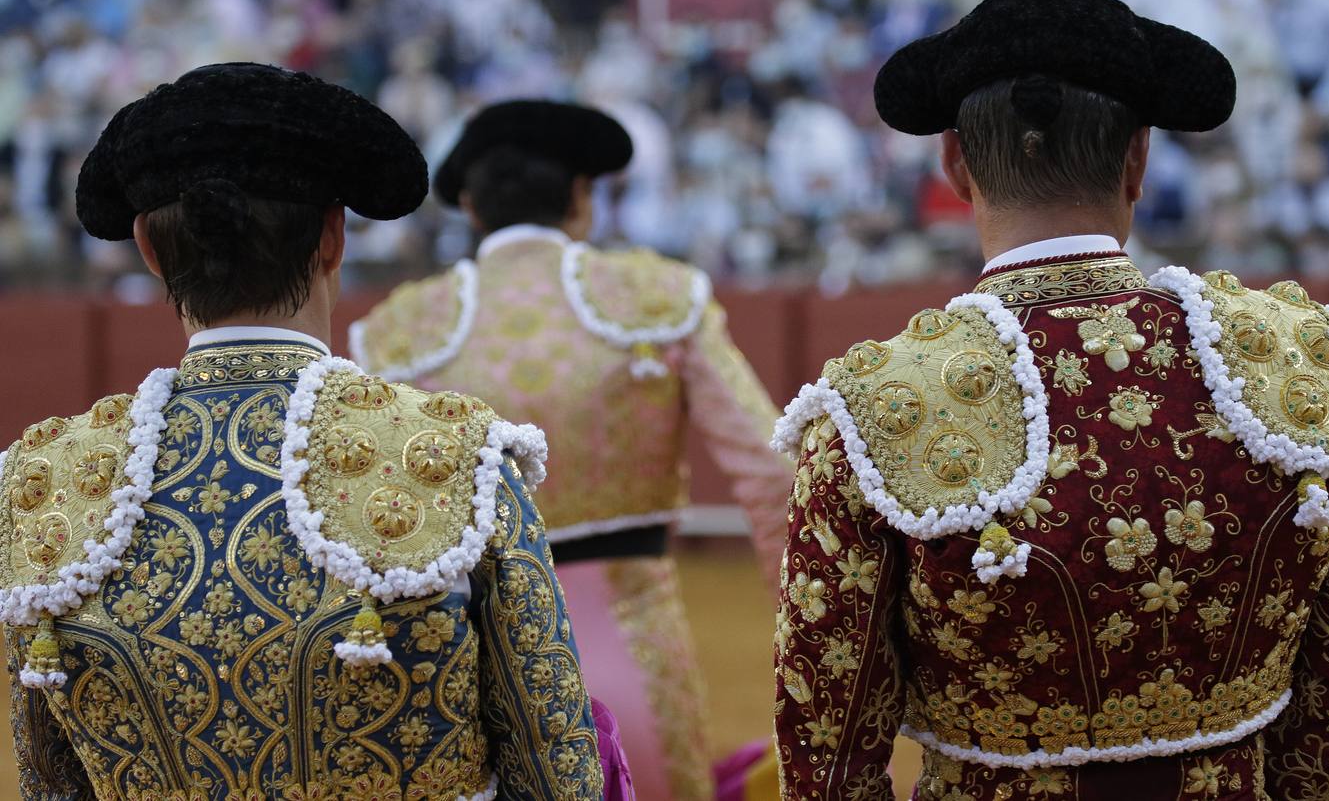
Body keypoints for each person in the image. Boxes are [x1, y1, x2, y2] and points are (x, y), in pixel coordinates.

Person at [772, 0, 1329, 799]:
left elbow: (828, 745)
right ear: (1138, 158)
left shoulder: (875, 406)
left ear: (955, 166)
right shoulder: (1306, 362)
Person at [0, 63, 606, 800]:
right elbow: (557, 772)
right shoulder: (458, 458)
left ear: (149, 250)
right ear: (332, 237)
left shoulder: (43, 486)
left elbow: (47, 782)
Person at [350, 98, 793, 801]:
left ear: (470, 207)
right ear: (581, 200)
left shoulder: (399, 331)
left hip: (474, 671)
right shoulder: (659, 297)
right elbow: (773, 475)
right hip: (636, 653)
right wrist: (811, 632)